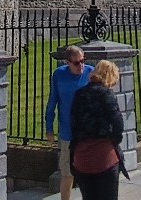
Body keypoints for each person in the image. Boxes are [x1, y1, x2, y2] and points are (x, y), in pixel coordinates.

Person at [68, 60, 127, 200]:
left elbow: (73, 122)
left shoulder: (79, 94)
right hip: (103, 157)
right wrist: (114, 141)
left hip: (82, 157)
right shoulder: (106, 94)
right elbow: (118, 122)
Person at [46, 45, 95, 200]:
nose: (81, 65)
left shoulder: (91, 72)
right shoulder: (59, 75)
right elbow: (52, 101)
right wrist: (49, 128)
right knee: (67, 174)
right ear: (67, 62)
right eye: (76, 63)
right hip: (67, 133)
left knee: (89, 174)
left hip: (86, 133)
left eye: (83, 60)